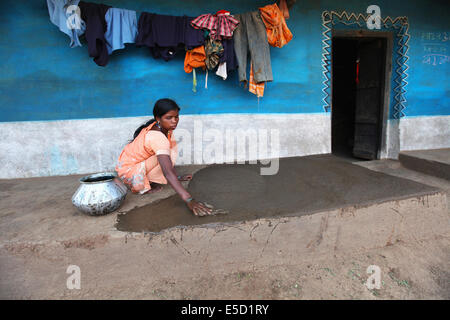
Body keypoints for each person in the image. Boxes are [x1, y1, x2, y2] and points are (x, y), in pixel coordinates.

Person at [116, 98, 213, 216]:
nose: (174, 121)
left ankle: (148, 178)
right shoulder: (158, 137)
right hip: (129, 171)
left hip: (128, 165)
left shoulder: (160, 127)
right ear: (158, 118)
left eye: (176, 117)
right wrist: (189, 200)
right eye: (169, 118)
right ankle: (143, 185)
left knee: (166, 153)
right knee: (166, 154)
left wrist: (176, 177)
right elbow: (167, 171)